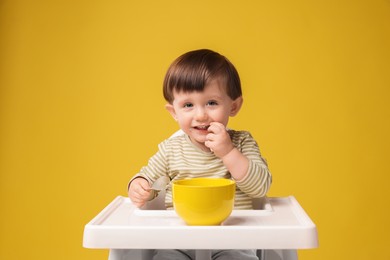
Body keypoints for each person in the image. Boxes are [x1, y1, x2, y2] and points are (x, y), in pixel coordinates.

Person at [128, 49, 272, 260]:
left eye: (212, 103)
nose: (201, 115)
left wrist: (228, 152)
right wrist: (138, 186)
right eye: (188, 105)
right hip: (178, 240)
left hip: (232, 240)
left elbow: (260, 188)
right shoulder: (171, 150)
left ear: (234, 106)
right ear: (174, 112)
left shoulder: (241, 143)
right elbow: (147, 177)